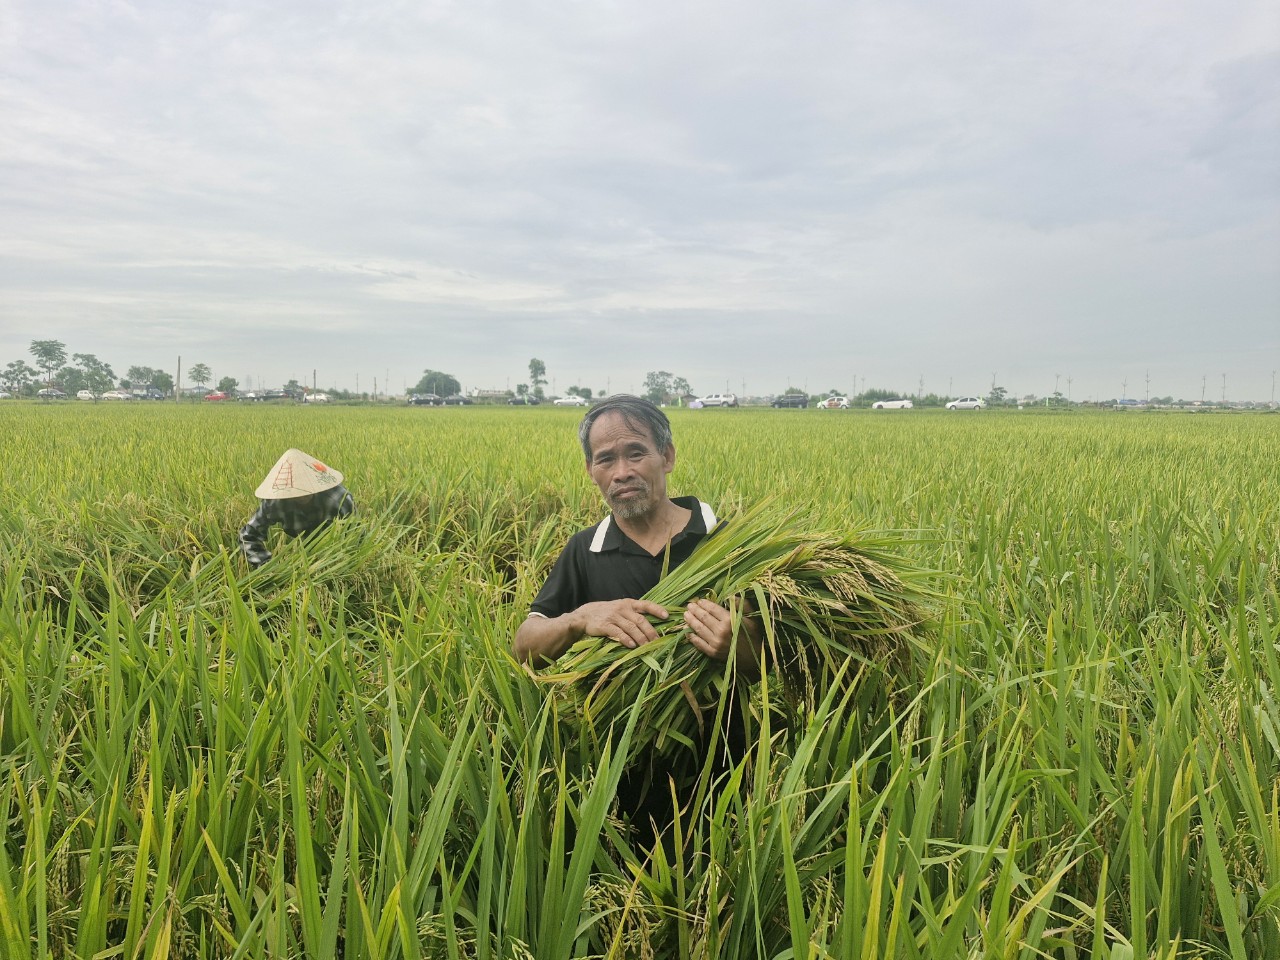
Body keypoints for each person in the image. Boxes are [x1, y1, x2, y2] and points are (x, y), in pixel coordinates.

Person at [514, 395, 760, 839]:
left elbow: (770, 659)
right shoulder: (584, 550)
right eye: (605, 459)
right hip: (615, 773)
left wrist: (734, 642)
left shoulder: (727, 542)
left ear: (666, 457)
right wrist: (578, 618)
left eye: (636, 453)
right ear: (591, 471)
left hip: (724, 768)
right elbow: (525, 646)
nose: (622, 472)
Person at [239, 448, 355, 568]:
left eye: (305, 488)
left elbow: (356, 536)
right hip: (303, 553)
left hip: (335, 555)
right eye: (297, 491)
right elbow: (248, 535)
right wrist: (266, 567)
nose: (302, 495)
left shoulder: (339, 499)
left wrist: (343, 565)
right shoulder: (276, 502)